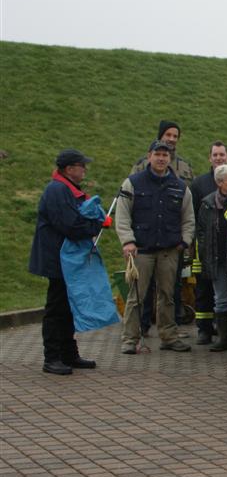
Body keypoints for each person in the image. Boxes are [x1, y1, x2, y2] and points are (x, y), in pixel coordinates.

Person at [29, 149, 107, 375]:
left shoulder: (64, 188)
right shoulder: (57, 190)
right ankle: (52, 357)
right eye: (82, 165)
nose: (85, 169)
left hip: (67, 260)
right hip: (58, 260)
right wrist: (97, 225)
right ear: (69, 169)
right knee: (56, 308)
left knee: (67, 307)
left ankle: (68, 353)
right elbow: (70, 225)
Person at [116, 140, 195, 355]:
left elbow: (188, 218)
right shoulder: (132, 183)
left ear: (170, 158)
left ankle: (169, 336)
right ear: (149, 156)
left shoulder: (180, 187)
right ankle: (130, 338)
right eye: (157, 154)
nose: (161, 158)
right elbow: (122, 215)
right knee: (136, 296)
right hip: (141, 250)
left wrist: (184, 242)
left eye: (165, 155)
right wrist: (128, 241)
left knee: (167, 296)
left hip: (170, 250)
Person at [196, 163, 227, 353]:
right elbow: (201, 231)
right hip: (217, 259)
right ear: (219, 182)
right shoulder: (207, 203)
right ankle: (223, 338)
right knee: (221, 299)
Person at [189, 141, 227, 345]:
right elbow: (194, 214)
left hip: (225, 246)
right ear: (210, 158)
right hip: (204, 244)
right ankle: (204, 329)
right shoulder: (199, 184)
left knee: (226, 290)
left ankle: (224, 330)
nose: (218, 158)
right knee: (203, 286)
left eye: (222, 155)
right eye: (215, 155)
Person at [131, 120, 196, 184]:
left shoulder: (185, 167)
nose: (171, 139)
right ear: (160, 136)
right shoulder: (142, 165)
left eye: (175, 136)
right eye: (168, 135)